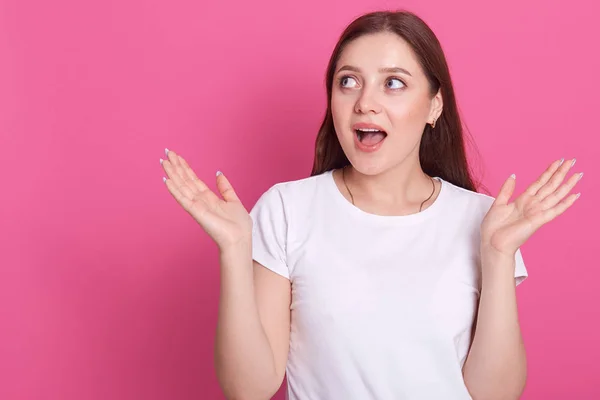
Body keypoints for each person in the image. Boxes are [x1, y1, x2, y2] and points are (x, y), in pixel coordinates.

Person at [160, 10, 582, 400]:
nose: (365, 102)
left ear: (434, 104)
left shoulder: (484, 222)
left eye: (393, 82)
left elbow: (495, 394)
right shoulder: (287, 210)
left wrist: (498, 256)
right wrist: (235, 250)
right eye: (348, 81)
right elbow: (247, 388)